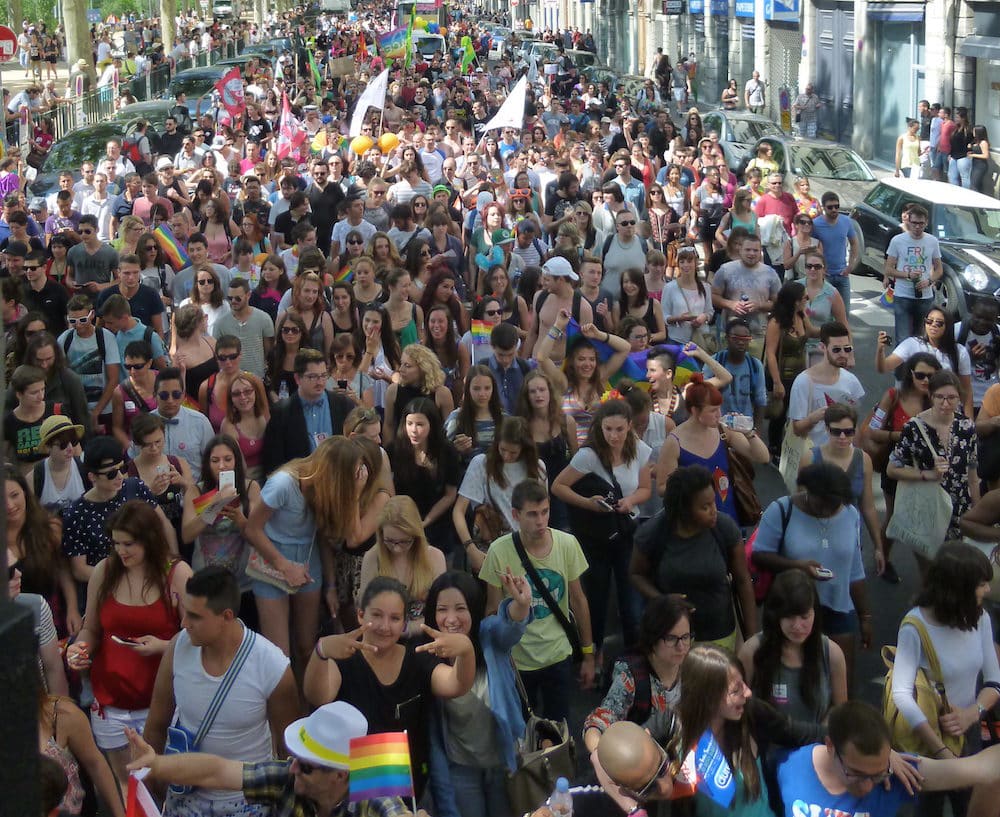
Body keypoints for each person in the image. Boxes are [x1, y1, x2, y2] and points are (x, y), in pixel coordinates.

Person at [141, 566, 299, 817]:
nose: (183, 623)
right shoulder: (178, 648)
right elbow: (156, 725)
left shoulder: (271, 665)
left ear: (226, 616)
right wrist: (150, 789)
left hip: (247, 801)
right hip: (184, 799)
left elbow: (288, 749)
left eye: (195, 616)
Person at [304, 576, 476, 800]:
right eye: (376, 615)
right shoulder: (344, 657)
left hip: (407, 789)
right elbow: (318, 696)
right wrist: (321, 651)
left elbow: (456, 684)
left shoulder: (416, 658)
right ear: (360, 614)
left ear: (404, 624)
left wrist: (466, 649)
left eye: (395, 618)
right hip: (351, 789)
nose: (385, 626)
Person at [65, 501, 191, 793]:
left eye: (129, 543)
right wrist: (80, 649)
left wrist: (163, 646)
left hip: (160, 702)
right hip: (111, 701)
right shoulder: (105, 571)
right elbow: (92, 628)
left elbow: (199, 638)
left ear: (149, 539)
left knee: (160, 785)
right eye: (116, 543)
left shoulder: (177, 573)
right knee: (126, 786)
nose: (121, 551)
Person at [128, 700, 414, 817]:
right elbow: (216, 770)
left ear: (340, 775)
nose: (292, 768)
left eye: (305, 765)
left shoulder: (378, 799)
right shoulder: (288, 778)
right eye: (295, 757)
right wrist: (157, 763)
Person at [889, 543, 1000, 817]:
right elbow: (901, 694)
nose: (987, 590)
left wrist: (971, 714)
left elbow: (994, 681)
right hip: (926, 739)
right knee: (928, 810)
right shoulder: (915, 626)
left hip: (968, 733)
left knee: (971, 808)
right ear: (958, 588)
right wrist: (941, 752)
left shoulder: (981, 618)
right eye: (981, 584)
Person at [481, 479, 596, 721]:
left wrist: (588, 654)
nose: (541, 520)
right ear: (515, 515)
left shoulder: (567, 544)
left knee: (561, 733)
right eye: (532, 514)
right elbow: (491, 611)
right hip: (517, 661)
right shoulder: (498, 551)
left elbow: (579, 600)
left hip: (558, 655)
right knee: (523, 737)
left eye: (545, 512)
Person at [244, 436, 365, 664]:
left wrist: (330, 585)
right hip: (273, 563)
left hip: (310, 565)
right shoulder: (284, 483)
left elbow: (333, 536)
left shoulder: (324, 491)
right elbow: (252, 529)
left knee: (306, 647)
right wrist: (284, 566)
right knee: (279, 656)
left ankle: (308, 696)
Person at [751, 463, 871, 690]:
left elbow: (855, 569)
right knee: (790, 677)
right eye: (822, 504)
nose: (827, 510)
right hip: (791, 607)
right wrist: (797, 566)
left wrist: (865, 617)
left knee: (841, 681)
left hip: (837, 608)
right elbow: (760, 555)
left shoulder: (850, 514)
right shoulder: (781, 510)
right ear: (809, 492)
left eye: (834, 505)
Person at [427, 570, 532, 817]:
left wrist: (521, 604)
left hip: (503, 765)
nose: (451, 619)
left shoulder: (488, 637)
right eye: (442, 609)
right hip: (461, 770)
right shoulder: (428, 654)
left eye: (460, 608)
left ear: (473, 608)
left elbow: (509, 627)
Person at [552, 399, 650, 652]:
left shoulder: (638, 449)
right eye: (608, 429)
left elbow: (645, 489)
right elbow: (558, 487)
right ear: (600, 427)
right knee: (597, 596)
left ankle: (634, 657)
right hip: (597, 536)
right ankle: (593, 654)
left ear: (629, 426)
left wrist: (629, 501)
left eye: (619, 429)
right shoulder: (589, 455)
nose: (614, 436)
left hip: (627, 530)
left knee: (631, 600)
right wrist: (588, 503)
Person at [633, 461, 758, 648]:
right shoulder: (653, 533)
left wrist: (752, 640)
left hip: (719, 633)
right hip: (670, 636)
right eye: (705, 507)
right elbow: (636, 574)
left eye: (713, 503)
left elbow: (742, 581)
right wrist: (661, 599)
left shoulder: (724, 528)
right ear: (683, 510)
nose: (714, 511)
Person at [739, 568, 848, 728]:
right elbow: (738, 707)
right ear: (776, 615)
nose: (798, 626)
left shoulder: (832, 654)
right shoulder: (751, 652)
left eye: (805, 617)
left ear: (815, 613)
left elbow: (839, 711)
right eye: (789, 617)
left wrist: (816, 738)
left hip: (815, 747)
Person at [584, 596, 693, 752]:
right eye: (671, 638)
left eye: (685, 637)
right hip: (640, 761)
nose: (681, 646)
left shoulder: (694, 667)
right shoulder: (631, 674)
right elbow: (600, 720)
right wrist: (600, 755)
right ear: (653, 638)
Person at [888, 369, 980, 555]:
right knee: (930, 568)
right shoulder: (914, 428)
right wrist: (927, 474)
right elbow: (892, 469)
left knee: (958, 567)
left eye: (952, 398)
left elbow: (972, 474)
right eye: (939, 397)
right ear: (930, 396)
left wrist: (977, 511)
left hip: (959, 507)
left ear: (959, 398)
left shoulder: (966, 426)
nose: (945, 403)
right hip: (926, 508)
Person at [655, 375, 770, 519]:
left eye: (719, 409)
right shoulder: (674, 442)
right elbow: (662, 488)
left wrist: (748, 432)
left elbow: (763, 457)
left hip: (727, 516)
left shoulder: (723, 431)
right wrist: (688, 485)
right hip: (694, 520)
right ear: (695, 411)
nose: (719, 414)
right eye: (713, 410)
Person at [181, 434, 260, 603]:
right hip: (206, 583)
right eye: (215, 461)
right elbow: (187, 535)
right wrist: (214, 506)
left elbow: (258, 538)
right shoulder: (197, 491)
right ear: (207, 463)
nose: (222, 466)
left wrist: (240, 519)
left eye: (228, 459)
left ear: (236, 461)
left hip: (243, 584)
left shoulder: (251, 488)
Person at [358, 495, 447, 638]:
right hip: (382, 636)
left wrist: (406, 629)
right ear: (381, 535)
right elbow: (365, 609)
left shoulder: (435, 558)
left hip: (425, 638)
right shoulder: (372, 558)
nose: (397, 549)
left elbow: (441, 610)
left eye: (404, 541)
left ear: (416, 536)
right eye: (390, 541)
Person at [262, 349, 356, 475]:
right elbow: (274, 462)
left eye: (323, 375)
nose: (320, 382)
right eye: (312, 377)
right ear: (297, 378)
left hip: (337, 478)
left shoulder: (344, 405)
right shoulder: (281, 412)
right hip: (298, 483)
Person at [390, 398, 461, 554]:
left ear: (432, 425)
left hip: (436, 526)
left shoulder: (447, 452)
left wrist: (425, 521)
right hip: (402, 524)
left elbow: (450, 495)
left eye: (420, 425)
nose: (414, 430)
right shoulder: (396, 449)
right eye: (409, 424)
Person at [878, 308, 974, 418]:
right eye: (929, 321)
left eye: (939, 323)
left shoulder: (959, 352)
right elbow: (884, 367)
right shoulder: (912, 344)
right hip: (914, 410)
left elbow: (966, 390)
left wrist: (969, 423)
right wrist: (880, 350)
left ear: (948, 327)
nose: (933, 325)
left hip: (946, 413)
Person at [788, 321, 864, 449]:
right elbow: (797, 429)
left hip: (844, 455)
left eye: (847, 349)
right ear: (822, 347)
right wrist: (814, 418)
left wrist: (857, 455)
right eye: (836, 349)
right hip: (814, 455)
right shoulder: (803, 382)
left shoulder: (851, 380)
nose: (843, 354)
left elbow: (855, 425)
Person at [765, 281, 818, 457]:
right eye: (805, 297)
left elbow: (812, 332)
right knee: (779, 414)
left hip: (800, 374)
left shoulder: (801, 315)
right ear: (795, 301)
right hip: (782, 375)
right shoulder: (776, 322)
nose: (807, 299)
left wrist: (836, 331)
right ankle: (774, 448)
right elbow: (771, 354)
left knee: (798, 412)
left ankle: (792, 445)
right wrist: (777, 382)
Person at [885, 203, 942, 347]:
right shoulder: (898, 240)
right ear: (908, 221)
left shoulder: (932, 241)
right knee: (903, 339)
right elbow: (888, 269)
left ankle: (917, 368)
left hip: (925, 296)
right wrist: (908, 275)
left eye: (921, 223)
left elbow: (939, 269)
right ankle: (901, 368)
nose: (917, 227)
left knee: (921, 339)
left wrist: (929, 281)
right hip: (903, 295)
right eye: (914, 223)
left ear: (926, 223)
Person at [810, 192, 859, 312]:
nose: (834, 210)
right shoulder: (816, 224)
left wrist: (851, 265)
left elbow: (854, 243)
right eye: (830, 207)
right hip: (825, 276)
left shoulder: (846, 221)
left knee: (844, 313)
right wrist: (818, 269)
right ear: (823, 207)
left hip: (842, 275)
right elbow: (811, 248)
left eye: (837, 206)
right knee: (824, 313)